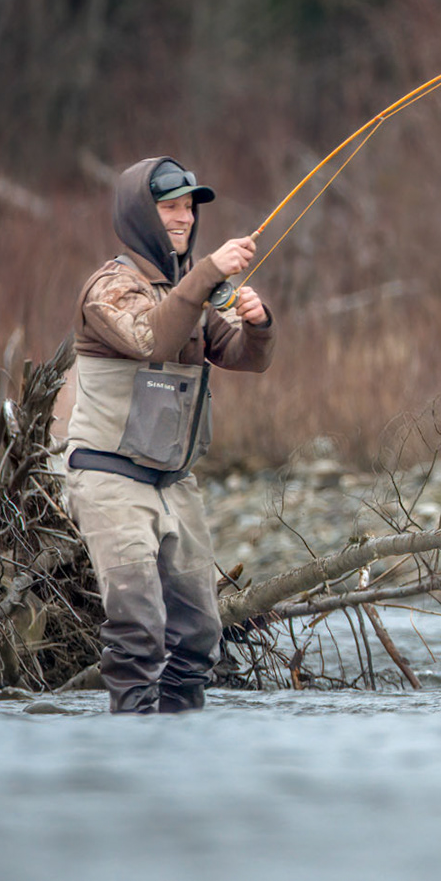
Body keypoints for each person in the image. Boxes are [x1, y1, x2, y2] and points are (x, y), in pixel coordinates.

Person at [64, 156, 275, 713]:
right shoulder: (109, 287)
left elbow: (243, 356)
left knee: (200, 635)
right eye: (169, 208)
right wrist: (206, 275)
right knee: (138, 629)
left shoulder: (187, 290)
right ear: (141, 216)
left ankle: (177, 743)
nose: (183, 218)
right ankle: (135, 743)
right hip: (110, 478)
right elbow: (151, 341)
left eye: (188, 208)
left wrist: (259, 325)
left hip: (174, 482)